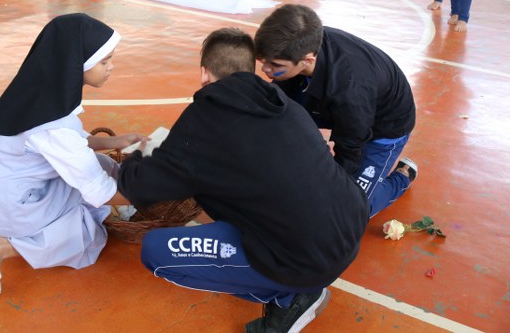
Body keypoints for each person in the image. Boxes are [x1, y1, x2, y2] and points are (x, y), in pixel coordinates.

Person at [118, 28, 368, 333]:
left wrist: (135, 156)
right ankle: (296, 284)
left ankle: (291, 297)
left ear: (204, 73)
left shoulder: (203, 119)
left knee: (155, 250)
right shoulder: (284, 102)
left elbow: (139, 187)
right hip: (350, 227)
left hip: (307, 261)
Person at [0, 14, 146, 297]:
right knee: (85, 233)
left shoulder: (35, 94)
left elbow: (70, 142)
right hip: (11, 207)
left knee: (100, 164)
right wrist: (152, 193)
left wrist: (115, 141)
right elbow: (99, 190)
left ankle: (15, 236)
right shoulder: (53, 125)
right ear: (77, 64)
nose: (111, 67)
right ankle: (3, 247)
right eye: (104, 62)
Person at [254, 4, 418, 219]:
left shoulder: (349, 89)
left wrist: (335, 190)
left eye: (275, 65)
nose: (265, 70)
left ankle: (402, 177)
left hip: (384, 126)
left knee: (351, 212)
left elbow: (350, 148)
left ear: (307, 60)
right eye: (263, 61)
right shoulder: (302, 41)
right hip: (335, 103)